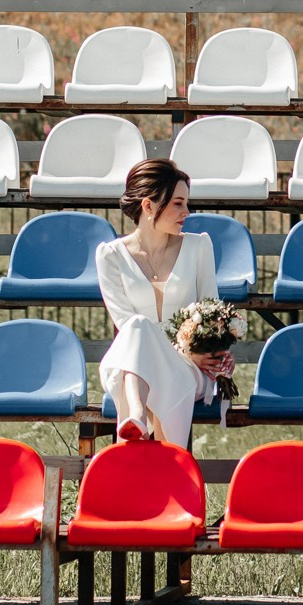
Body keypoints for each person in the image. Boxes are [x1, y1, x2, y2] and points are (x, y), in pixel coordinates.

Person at [96, 158, 233, 444]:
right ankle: (135, 413)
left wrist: (207, 351)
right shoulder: (110, 256)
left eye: (186, 203)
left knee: (137, 331)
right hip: (133, 364)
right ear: (148, 206)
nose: (187, 212)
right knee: (135, 325)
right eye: (178, 203)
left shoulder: (198, 247)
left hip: (188, 366)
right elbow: (123, 322)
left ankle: (135, 418)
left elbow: (213, 312)